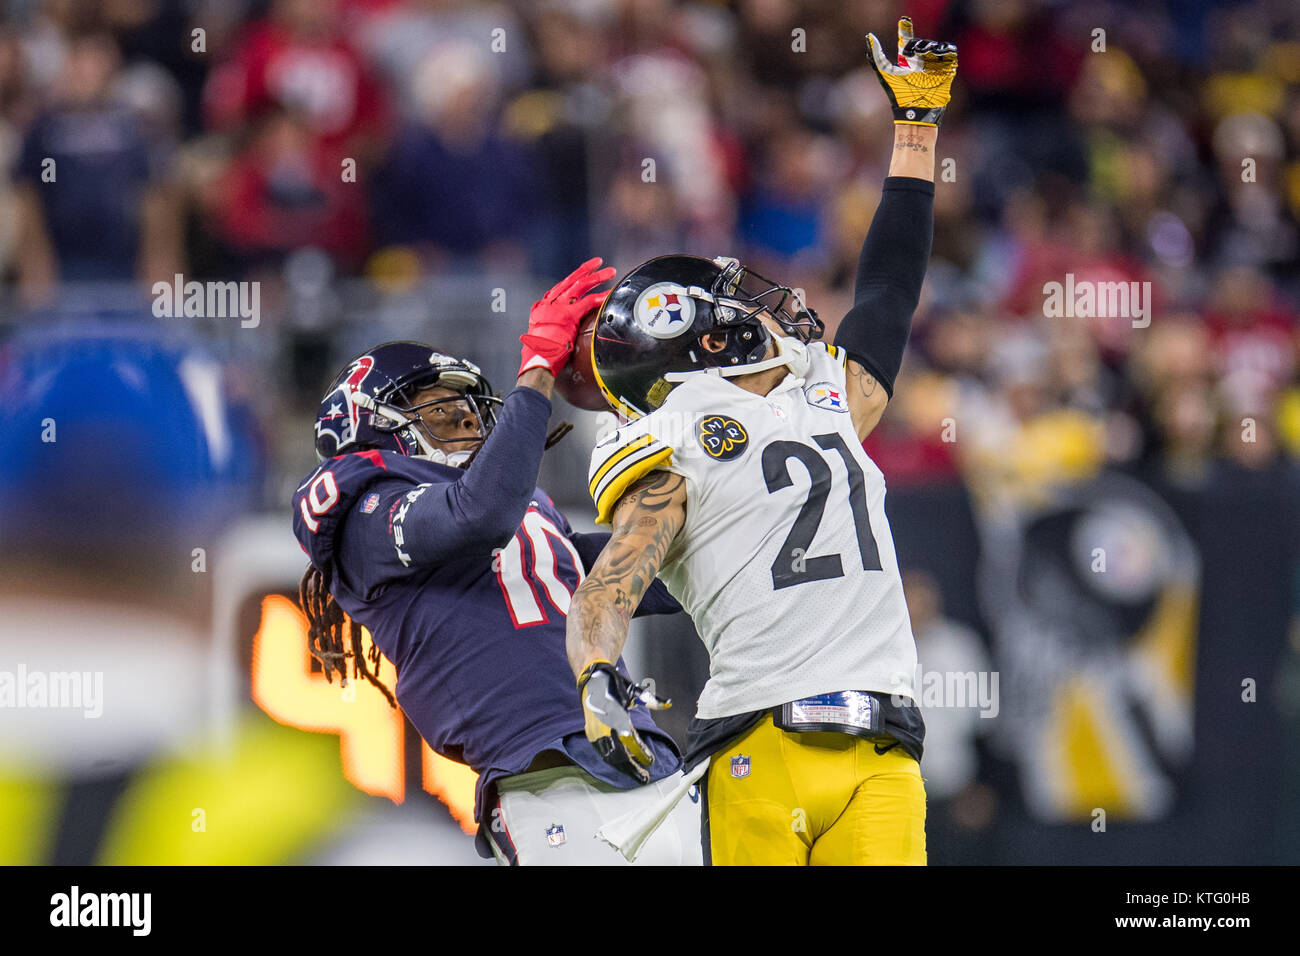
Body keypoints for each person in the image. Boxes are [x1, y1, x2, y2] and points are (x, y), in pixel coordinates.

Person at [565, 19, 957, 865]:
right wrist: (596, 675)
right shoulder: (670, 432)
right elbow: (617, 574)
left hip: (885, 743)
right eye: (736, 303)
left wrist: (916, 133)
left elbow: (888, 293)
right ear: (703, 338)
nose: (767, 307)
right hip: (759, 741)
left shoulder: (825, 391)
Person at [291, 259, 700, 865]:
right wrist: (537, 367)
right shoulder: (366, 508)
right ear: (370, 425)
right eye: (439, 410)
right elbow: (476, 514)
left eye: (470, 411)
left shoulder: (524, 507)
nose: (465, 420)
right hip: (545, 778)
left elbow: (643, 573)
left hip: (641, 752)